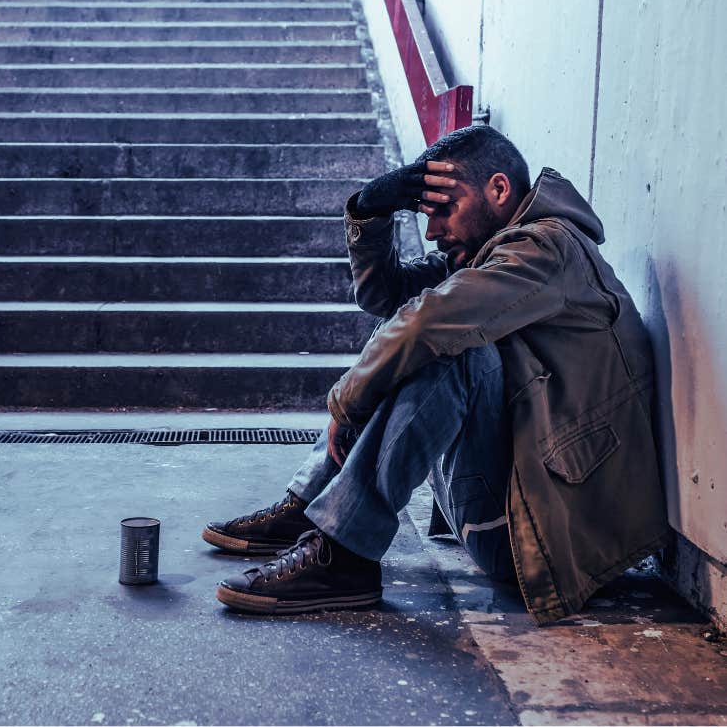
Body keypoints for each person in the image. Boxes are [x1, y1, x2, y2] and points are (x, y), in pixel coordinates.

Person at [202, 125, 669, 625]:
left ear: (498, 190)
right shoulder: (492, 253)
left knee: (449, 346)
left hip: (548, 531)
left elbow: (428, 324)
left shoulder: (545, 250)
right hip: (507, 507)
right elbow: (388, 296)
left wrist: (347, 401)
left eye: (446, 209)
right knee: (412, 322)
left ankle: (345, 558)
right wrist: (371, 207)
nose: (432, 230)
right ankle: (312, 505)